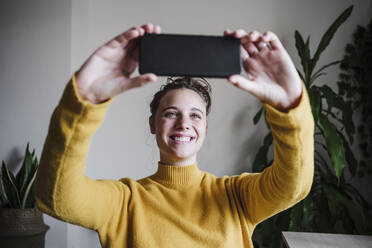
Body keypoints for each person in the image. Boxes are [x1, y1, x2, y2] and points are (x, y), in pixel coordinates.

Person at [35, 23, 314, 247]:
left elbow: (294, 185)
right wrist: (82, 102)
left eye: (195, 115)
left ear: (205, 127)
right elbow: (57, 197)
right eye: (170, 113)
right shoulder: (124, 201)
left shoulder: (237, 196)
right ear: (153, 124)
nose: (184, 123)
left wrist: (289, 105)